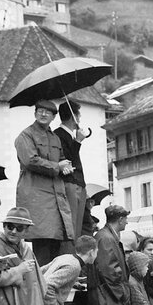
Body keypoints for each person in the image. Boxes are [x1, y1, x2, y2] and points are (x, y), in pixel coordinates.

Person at [14, 100, 75, 265]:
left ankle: (50, 287)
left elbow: (61, 159)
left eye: (47, 112)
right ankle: (42, 288)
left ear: (54, 116)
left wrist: (66, 166)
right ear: (35, 113)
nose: (43, 114)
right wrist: (57, 166)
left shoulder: (55, 138)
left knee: (56, 247)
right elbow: (30, 161)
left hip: (56, 201)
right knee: (42, 247)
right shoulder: (25, 135)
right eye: (40, 111)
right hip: (38, 199)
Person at [54, 99, 92, 247]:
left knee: (81, 224)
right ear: (74, 117)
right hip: (71, 183)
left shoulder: (69, 134)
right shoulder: (58, 135)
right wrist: (78, 142)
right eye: (79, 115)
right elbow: (67, 160)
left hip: (78, 184)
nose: (80, 119)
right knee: (73, 225)